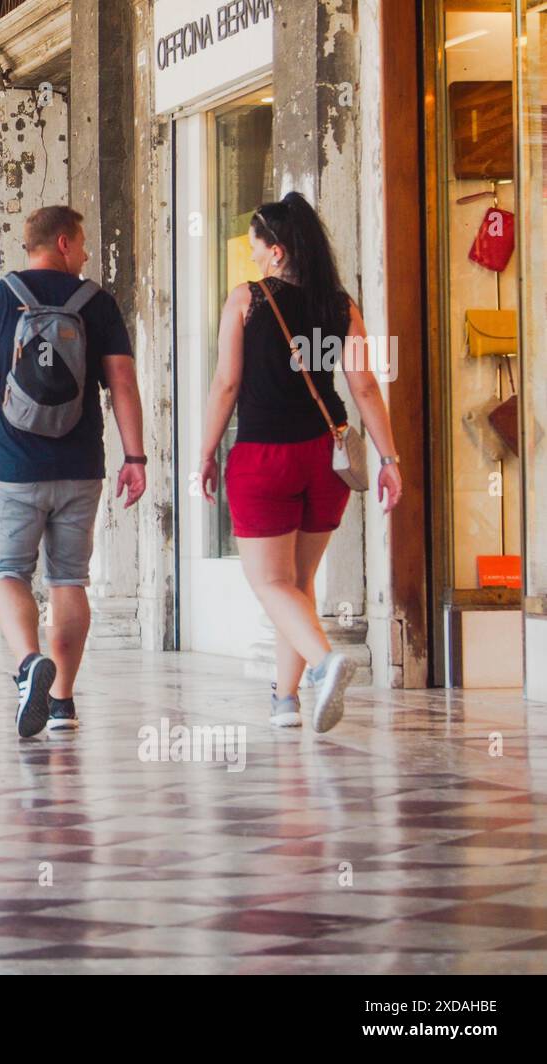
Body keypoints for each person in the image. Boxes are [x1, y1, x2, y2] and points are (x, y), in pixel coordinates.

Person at [197, 191, 402, 733]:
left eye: (257, 246)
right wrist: (389, 458)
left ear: (278, 251)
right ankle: (284, 700)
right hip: (326, 456)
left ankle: (322, 663)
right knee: (299, 580)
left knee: (269, 583)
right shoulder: (340, 305)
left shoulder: (246, 300)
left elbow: (226, 384)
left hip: (265, 457)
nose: (254, 256)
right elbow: (363, 386)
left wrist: (205, 452)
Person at [0, 205, 147, 738]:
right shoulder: (96, 304)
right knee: (68, 580)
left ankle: (27, 664)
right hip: (81, 466)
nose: (85, 254)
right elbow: (123, 383)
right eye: (82, 244)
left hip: (12, 466)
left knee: (6, 574)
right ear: (63, 242)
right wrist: (136, 457)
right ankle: (61, 702)